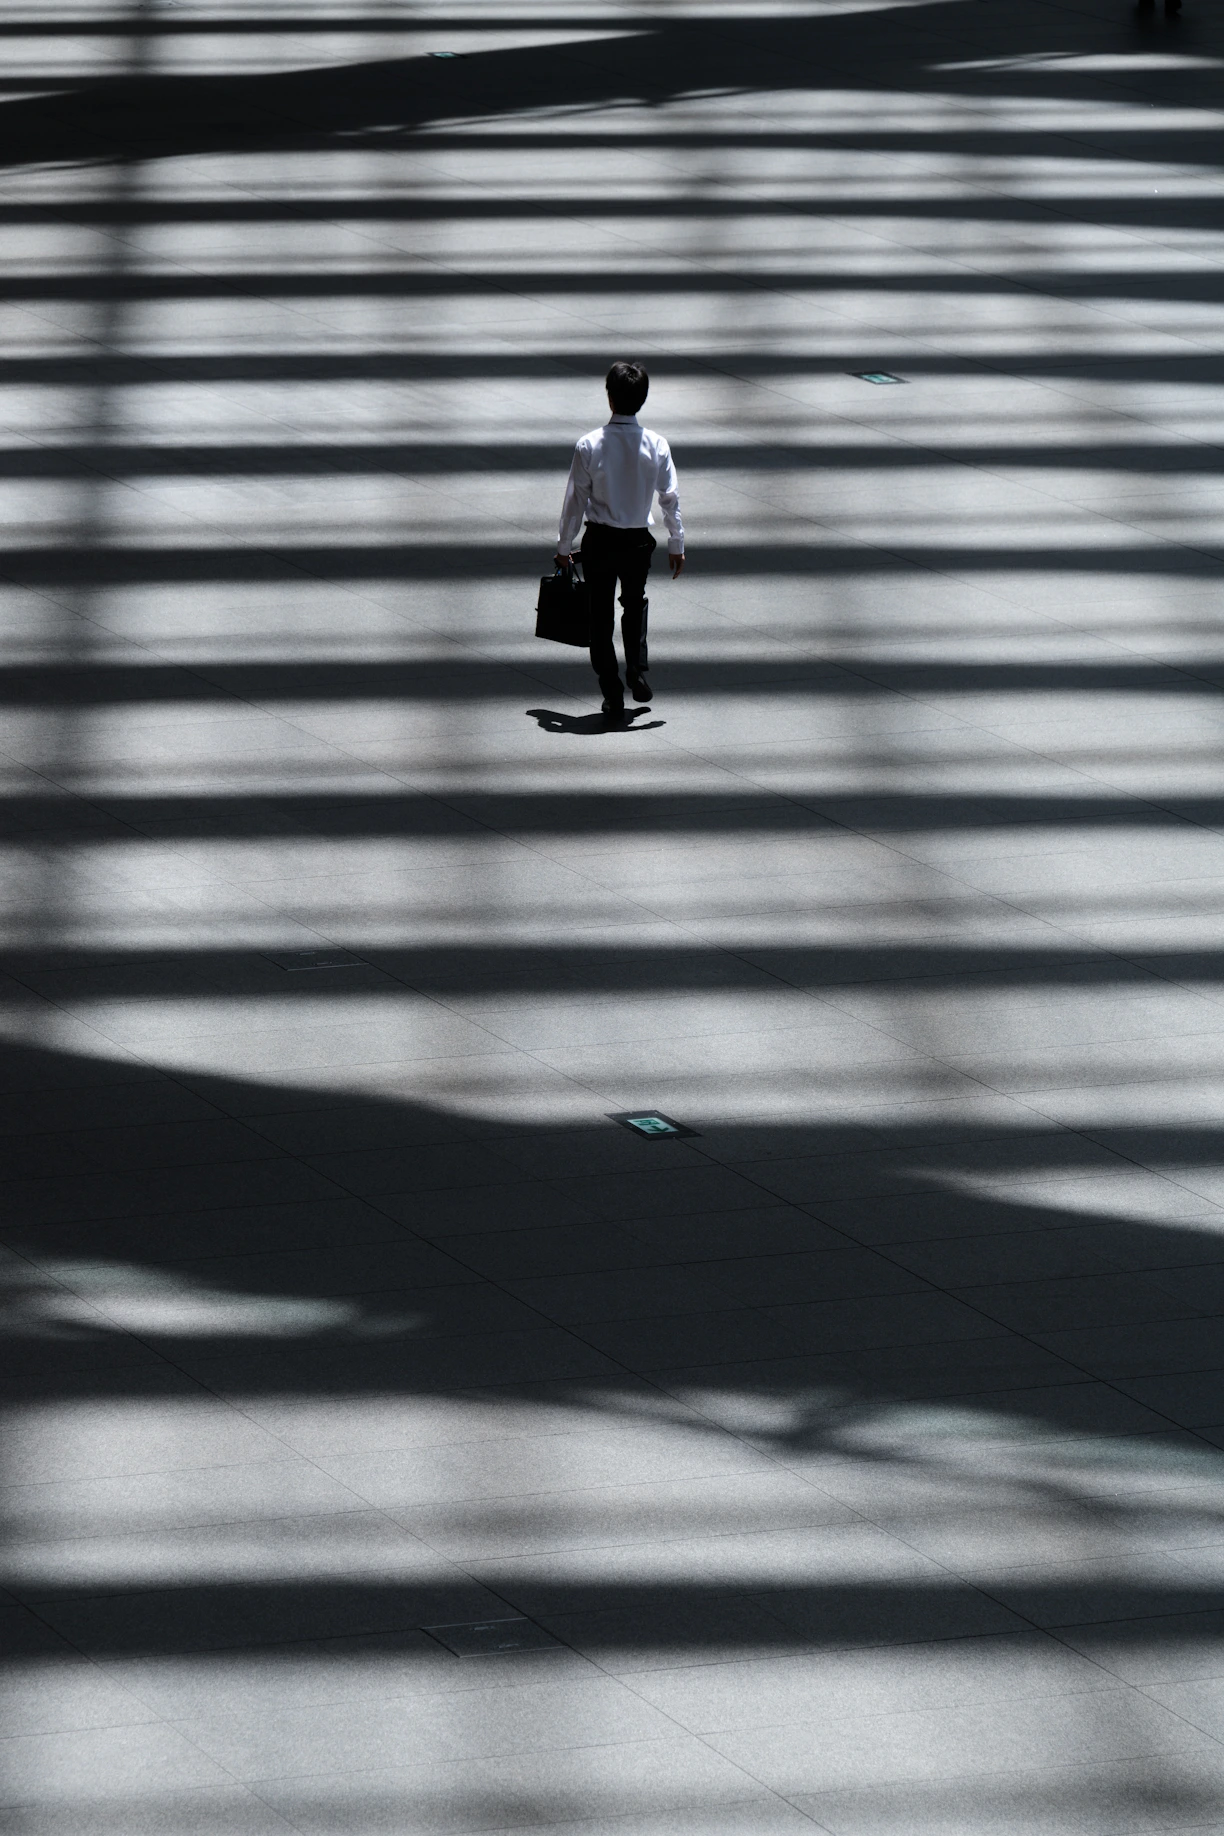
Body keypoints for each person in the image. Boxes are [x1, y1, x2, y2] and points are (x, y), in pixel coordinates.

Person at [555, 362, 685, 716]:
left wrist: (564, 547)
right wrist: (676, 542)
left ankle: (611, 691)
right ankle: (637, 671)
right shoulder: (657, 445)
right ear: (642, 399)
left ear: (609, 397)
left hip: (599, 540)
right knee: (635, 603)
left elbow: (575, 501)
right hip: (637, 542)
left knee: (600, 616)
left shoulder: (589, 444)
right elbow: (669, 498)